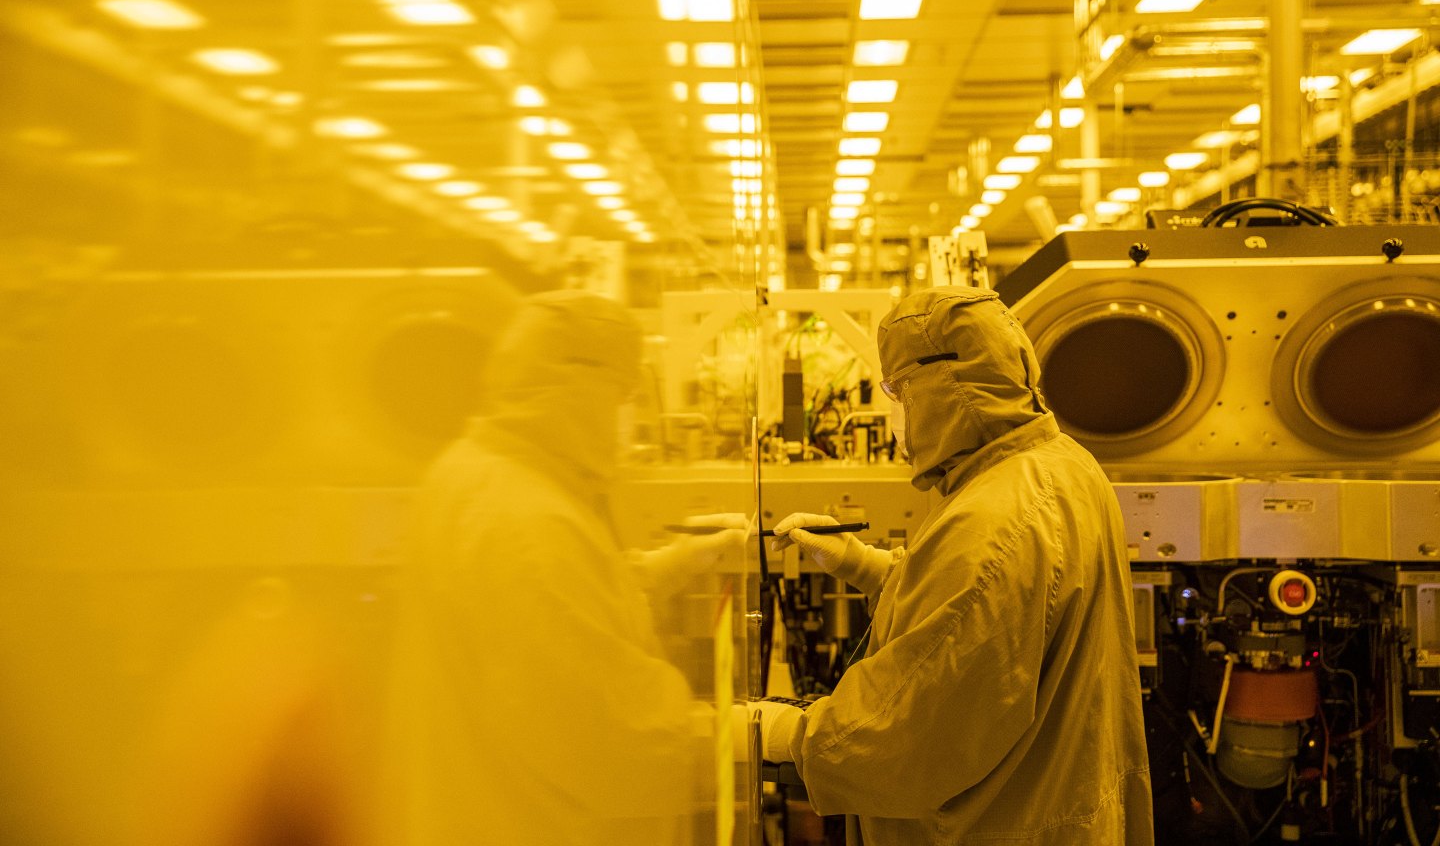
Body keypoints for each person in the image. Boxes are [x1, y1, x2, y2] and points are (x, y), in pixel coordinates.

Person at [755, 285, 1153, 845]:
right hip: (1059, 804)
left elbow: (903, 736)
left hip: (992, 827)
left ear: (944, 387)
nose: (894, 409)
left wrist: (774, 732)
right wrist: (869, 567)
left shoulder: (991, 519)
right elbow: (999, 618)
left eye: (898, 390)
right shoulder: (1061, 463)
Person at [384, 290, 741, 846]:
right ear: (579, 387)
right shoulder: (528, 522)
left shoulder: (477, 471)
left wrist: (668, 567)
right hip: (534, 823)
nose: (632, 420)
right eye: (625, 397)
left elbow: (550, 618)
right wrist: (765, 735)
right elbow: (612, 737)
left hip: (476, 804)